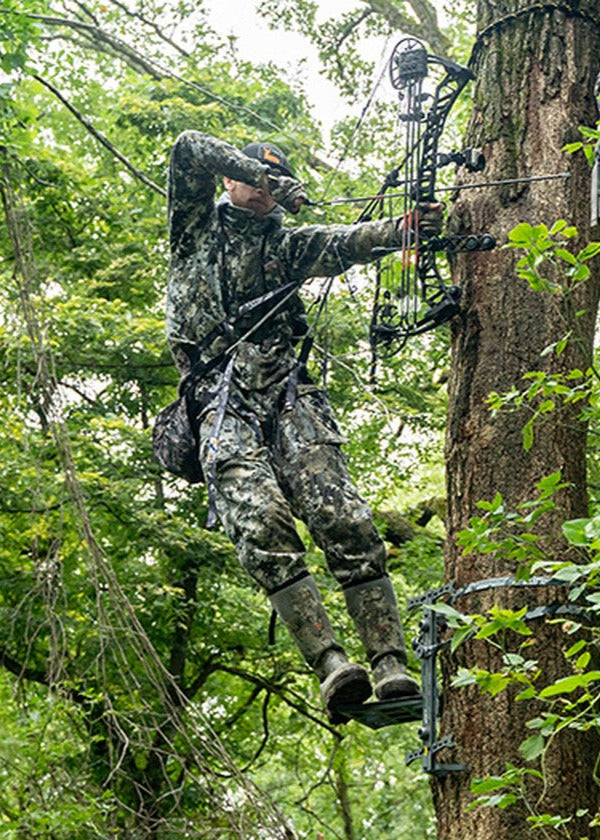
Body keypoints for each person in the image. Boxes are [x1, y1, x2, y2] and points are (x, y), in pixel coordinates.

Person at [165, 131, 441, 720]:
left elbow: (348, 241)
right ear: (230, 179)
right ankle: (331, 664)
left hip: (289, 396)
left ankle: (390, 662)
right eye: (251, 176)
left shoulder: (286, 246)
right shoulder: (194, 231)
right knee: (261, 522)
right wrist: (261, 175)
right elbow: (188, 147)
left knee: (344, 517)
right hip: (220, 404)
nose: (260, 187)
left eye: (272, 178)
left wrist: (405, 228)